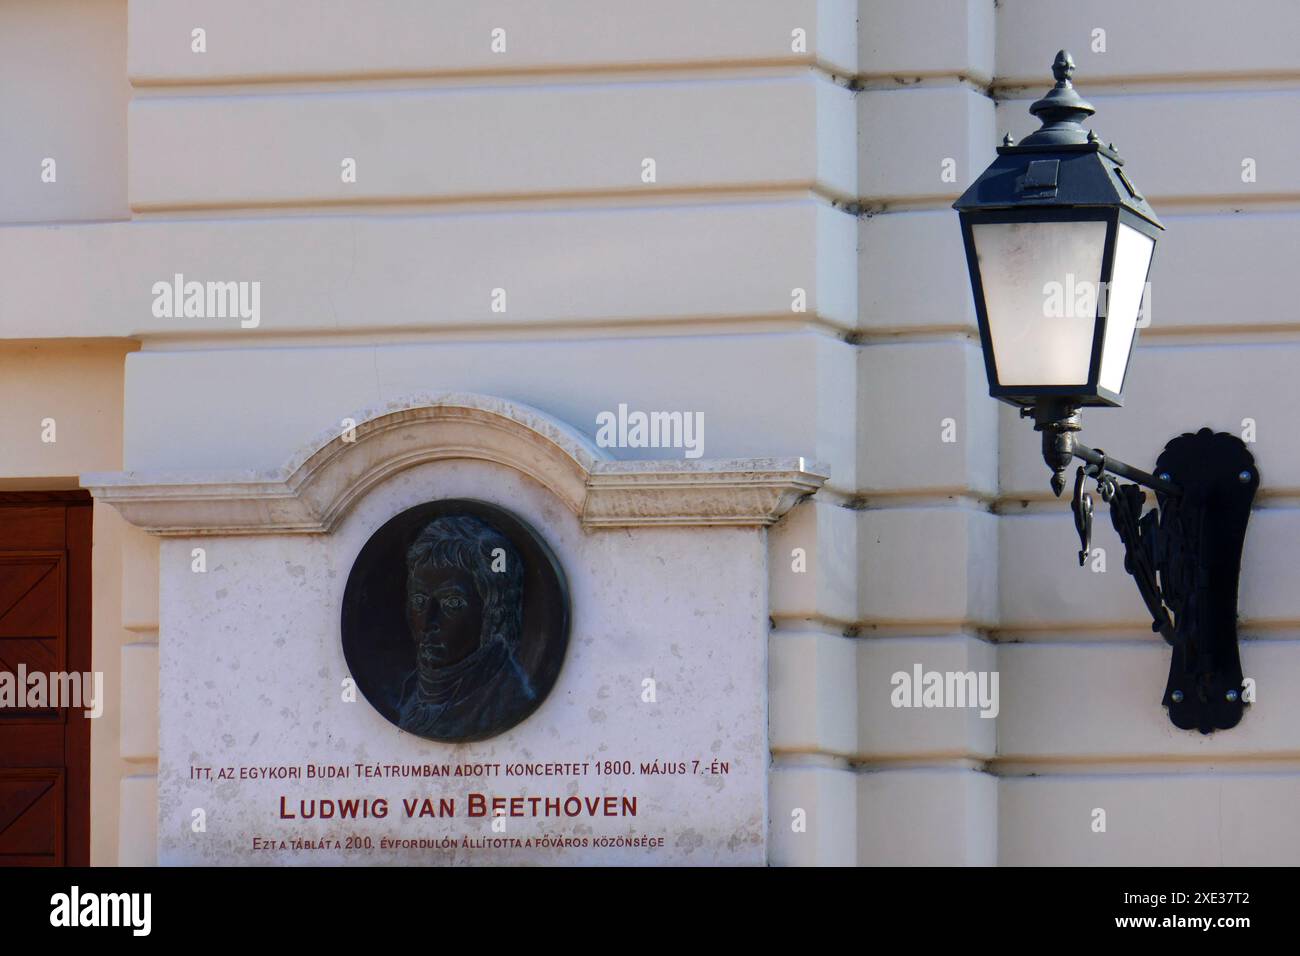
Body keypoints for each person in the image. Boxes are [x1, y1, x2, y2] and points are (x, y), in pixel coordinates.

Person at [396, 514, 536, 740]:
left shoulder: (507, 700)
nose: (427, 622)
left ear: (492, 611)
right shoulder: (410, 692)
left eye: (452, 603)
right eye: (419, 602)